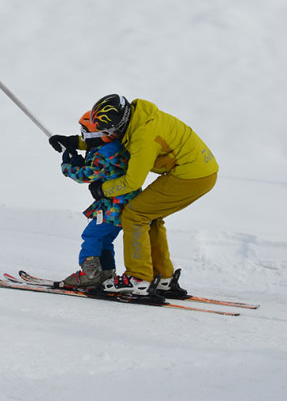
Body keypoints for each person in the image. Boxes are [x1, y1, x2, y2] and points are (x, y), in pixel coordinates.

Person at [49, 94, 218, 302]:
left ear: (118, 124)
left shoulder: (143, 136)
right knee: (151, 215)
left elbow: (132, 182)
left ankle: (138, 279)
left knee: (135, 214)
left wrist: (102, 189)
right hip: (197, 171)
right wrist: (73, 141)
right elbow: (108, 140)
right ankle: (162, 277)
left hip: (191, 177)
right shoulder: (136, 117)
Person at [58, 111, 141, 288]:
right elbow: (98, 169)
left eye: (85, 132)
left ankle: (90, 274)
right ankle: (106, 272)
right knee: (104, 239)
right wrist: (80, 159)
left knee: (92, 235)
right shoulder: (112, 146)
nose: (83, 136)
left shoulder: (106, 153)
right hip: (121, 206)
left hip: (113, 207)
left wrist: (68, 168)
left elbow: (87, 175)